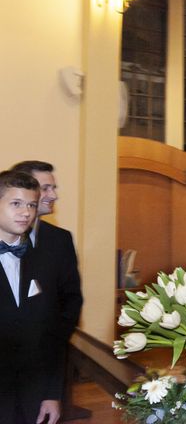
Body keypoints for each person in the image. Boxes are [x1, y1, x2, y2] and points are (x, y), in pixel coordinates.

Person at [9, 161, 83, 418]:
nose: (53, 195)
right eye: (46, 188)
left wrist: (52, 389)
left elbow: (67, 305)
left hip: (38, 378)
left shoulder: (54, 243)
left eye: (54, 188)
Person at [0, 170, 61, 424]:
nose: (26, 212)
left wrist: (51, 394)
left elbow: (51, 333)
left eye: (31, 205)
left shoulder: (44, 261)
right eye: (16, 203)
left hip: (31, 397)